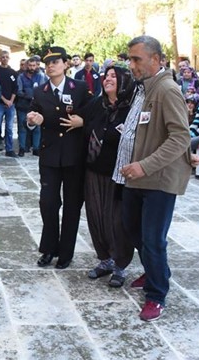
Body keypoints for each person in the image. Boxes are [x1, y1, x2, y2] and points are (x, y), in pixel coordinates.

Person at [111, 35, 191, 322]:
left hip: (157, 179)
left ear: (156, 59)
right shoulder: (143, 88)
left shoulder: (167, 90)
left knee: (153, 239)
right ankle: (157, 271)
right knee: (133, 230)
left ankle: (157, 295)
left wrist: (145, 166)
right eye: (130, 59)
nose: (131, 65)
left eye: (137, 59)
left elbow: (180, 136)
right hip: (135, 177)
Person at [61, 65, 135, 287]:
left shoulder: (132, 108)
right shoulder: (97, 104)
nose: (108, 79)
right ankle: (105, 259)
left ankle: (120, 265)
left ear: (124, 82)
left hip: (118, 174)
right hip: (93, 171)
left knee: (116, 221)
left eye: (114, 76)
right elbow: (79, 117)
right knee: (96, 217)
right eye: (106, 76)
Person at [26, 46, 92, 270]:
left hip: (74, 155)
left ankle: (66, 252)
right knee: (48, 203)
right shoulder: (40, 91)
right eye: (48, 63)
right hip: (50, 155)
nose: (51, 66)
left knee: (72, 205)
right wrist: (32, 119)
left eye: (55, 61)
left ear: (66, 64)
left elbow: (94, 112)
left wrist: (82, 121)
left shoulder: (79, 88)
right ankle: (49, 248)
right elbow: (33, 114)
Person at [16, 56, 45, 157]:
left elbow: (42, 90)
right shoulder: (21, 77)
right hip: (23, 105)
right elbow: (19, 91)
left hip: (36, 106)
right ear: (26, 66)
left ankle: (36, 148)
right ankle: (22, 148)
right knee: (22, 127)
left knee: (37, 127)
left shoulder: (40, 76)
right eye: (30, 65)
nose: (32, 67)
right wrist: (28, 96)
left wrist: (35, 97)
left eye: (33, 65)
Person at [0, 50, 18, 157]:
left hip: (10, 105)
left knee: (9, 128)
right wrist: (4, 100)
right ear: (0, 58)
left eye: (6, 57)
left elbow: (15, 88)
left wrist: (11, 101)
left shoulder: (13, 72)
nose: (5, 59)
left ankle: (9, 149)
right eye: (3, 57)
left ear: (9, 58)